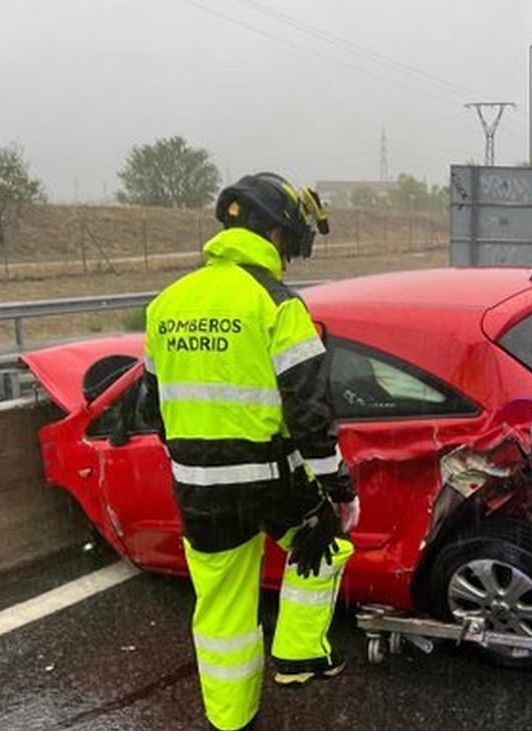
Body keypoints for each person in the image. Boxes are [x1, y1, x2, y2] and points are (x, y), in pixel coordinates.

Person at [143, 172, 359, 731]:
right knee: (324, 544)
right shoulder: (277, 303)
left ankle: (230, 720)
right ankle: (298, 653)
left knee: (220, 609)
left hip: (196, 489)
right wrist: (337, 488)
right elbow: (310, 412)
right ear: (276, 232)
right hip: (268, 482)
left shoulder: (166, 304)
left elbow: (151, 408)